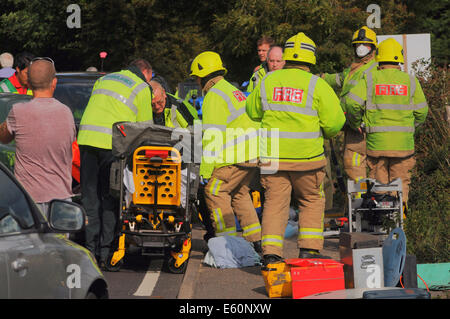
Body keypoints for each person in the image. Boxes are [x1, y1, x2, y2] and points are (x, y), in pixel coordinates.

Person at [246, 32, 346, 264]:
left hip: (272, 158)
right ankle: (309, 251)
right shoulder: (317, 85)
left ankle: (271, 254)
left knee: (274, 203)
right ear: (311, 59)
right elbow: (334, 123)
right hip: (307, 159)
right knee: (311, 200)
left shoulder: (267, 80)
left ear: (287, 57)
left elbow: (252, 112)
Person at [77, 58, 154, 268]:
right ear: (145, 72)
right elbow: (146, 129)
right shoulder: (141, 87)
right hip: (112, 145)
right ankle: (106, 253)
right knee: (110, 198)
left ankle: (90, 252)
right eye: (151, 77)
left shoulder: (103, 79)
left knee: (90, 199)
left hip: (86, 141)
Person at [189, 51, 262, 251]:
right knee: (239, 193)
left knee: (215, 191)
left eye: (196, 78)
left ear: (203, 76)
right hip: (251, 155)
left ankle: (227, 245)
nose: (196, 82)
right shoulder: (231, 90)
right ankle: (256, 241)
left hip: (234, 156)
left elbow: (213, 136)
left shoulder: (214, 96)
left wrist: (205, 171)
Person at [344, 38, 428, 209]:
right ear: (400, 58)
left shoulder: (370, 79)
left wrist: (356, 122)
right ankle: (400, 223)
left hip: (377, 145)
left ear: (379, 57)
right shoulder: (410, 81)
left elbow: (352, 103)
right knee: (401, 186)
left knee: (379, 187)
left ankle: (381, 224)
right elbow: (422, 112)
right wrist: (411, 128)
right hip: (403, 146)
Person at [0, 57, 76, 216]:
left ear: (28, 83)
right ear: (54, 83)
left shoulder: (18, 112)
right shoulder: (66, 113)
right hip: (60, 198)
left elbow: (3, 137)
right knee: (59, 241)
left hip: (27, 199)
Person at [321, 26, 378, 187]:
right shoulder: (353, 69)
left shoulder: (373, 69)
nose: (361, 48)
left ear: (373, 48)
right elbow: (335, 79)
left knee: (357, 167)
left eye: (365, 45)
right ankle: (360, 202)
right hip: (353, 126)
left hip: (361, 128)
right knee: (354, 168)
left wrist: (356, 122)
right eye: (358, 45)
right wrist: (314, 78)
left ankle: (363, 202)